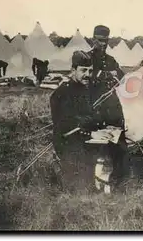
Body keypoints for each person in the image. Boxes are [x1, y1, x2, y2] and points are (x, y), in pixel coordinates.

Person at [50, 51, 125, 193]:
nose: (87, 74)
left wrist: (103, 128)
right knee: (81, 187)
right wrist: (90, 134)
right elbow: (66, 126)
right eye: (83, 70)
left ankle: (111, 183)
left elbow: (90, 118)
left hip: (84, 138)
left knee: (119, 146)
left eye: (90, 71)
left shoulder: (86, 90)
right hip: (68, 142)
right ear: (73, 70)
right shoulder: (62, 93)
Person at [87, 25, 130, 179]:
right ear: (93, 40)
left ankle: (118, 174)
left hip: (111, 105)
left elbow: (121, 76)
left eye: (106, 41)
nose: (103, 44)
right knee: (95, 140)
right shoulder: (87, 58)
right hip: (94, 105)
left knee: (118, 137)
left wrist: (111, 75)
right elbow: (89, 75)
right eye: (100, 41)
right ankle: (94, 175)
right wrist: (107, 74)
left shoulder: (111, 59)